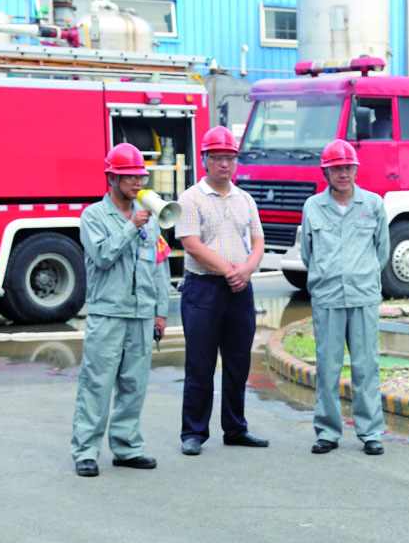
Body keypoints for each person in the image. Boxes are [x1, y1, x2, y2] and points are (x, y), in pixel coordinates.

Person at [70, 143, 170, 477]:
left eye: (141, 176)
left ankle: (127, 447)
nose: (138, 183)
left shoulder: (150, 216)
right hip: (108, 314)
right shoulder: (93, 216)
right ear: (111, 178)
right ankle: (86, 451)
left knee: (134, 384)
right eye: (130, 178)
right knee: (96, 383)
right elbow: (102, 256)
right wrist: (132, 227)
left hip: (141, 315)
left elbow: (158, 265)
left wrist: (161, 311)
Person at [175, 126, 268, 455]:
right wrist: (231, 271)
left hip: (240, 289)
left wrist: (247, 270)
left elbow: (258, 241)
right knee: (200, 362)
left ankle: (235, 428)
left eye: (230, 158)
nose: (224, 164)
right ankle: (194, 432)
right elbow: (192, 245)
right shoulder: (191, 199)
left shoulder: (245, 199)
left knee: (238, 362)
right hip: (204, 289)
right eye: (217, 158)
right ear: (204, 160)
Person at [299, 139, 389, 456]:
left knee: (366, 367)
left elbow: (382, 251)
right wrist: (328, 276)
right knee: (327, 367)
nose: (343, 174)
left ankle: (370, 432)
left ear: (355, 170)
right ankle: (327, 430)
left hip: (363, 296)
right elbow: (307, 254)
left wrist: (361, 275)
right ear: (326, 172)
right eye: (336, 168)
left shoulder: (373, 204)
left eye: (348, 167)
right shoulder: (313, 207)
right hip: (327, 298)